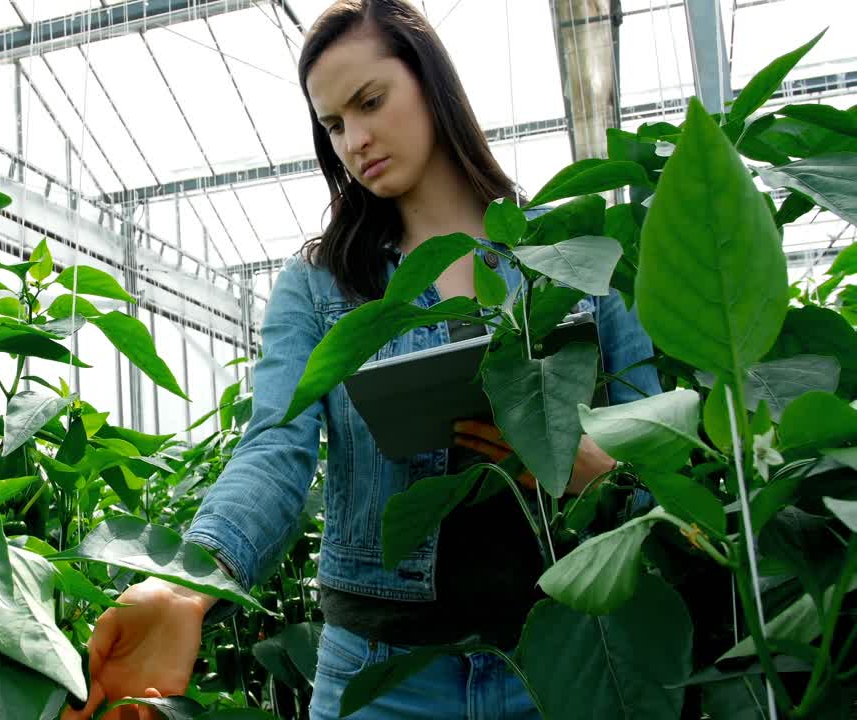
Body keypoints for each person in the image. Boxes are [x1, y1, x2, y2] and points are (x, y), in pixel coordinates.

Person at [63, 1, 661, 718]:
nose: (355, 140)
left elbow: (656, 448)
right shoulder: (321, 287)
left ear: (431, 81)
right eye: (334, 124)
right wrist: (190, 583)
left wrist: (596, 473)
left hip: (566, 664)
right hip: (382, 680)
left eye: (370, 102)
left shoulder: (572, 254)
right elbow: (275, 449)